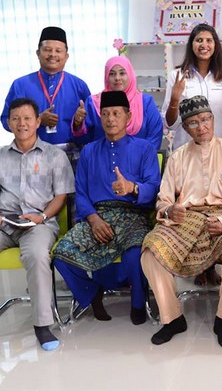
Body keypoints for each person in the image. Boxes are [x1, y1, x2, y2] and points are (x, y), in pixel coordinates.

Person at [141, 95, 222, 349]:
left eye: (205, 120)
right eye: (193, 123)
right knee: (150, 251)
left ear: (212, 119)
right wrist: (170, 211)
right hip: (186, 218)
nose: (201, 127)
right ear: (185, 127)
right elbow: (164, 199)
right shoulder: (177, 157)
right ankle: (172, 318)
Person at [0, 97, 74, 351]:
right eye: (16, 119)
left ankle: (42, 325)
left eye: (27, 118)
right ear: (9, 123)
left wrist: (43, 217)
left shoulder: (55, 156)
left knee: (37, 255)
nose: (21, 123)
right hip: (3, 223)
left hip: (38, 224)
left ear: (38, 121)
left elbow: (61, 196)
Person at [53, 91, 161, 325]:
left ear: (128, 116)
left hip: (134, 215)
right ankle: (91, 294)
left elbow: (154, 188)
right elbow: (81, 192)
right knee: (61, 255)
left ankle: (138, 302)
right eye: (105, 114)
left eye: (116, 113)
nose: (110, 119)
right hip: (98, 216)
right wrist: (93, 219)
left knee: (135, 253)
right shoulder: (89, 151)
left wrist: (132, 187)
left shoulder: (144, 149)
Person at [2, 26, 91, 145]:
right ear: (38, 53)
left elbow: (93, 125)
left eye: (58, 51)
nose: (53, 54)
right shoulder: (20, 85)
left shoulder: (79, 86)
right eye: (47, 50)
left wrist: (78, 122)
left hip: (71, 152)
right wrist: (36, 121)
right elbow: (6, 121)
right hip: (31, 152)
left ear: (66, 56)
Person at [161, 24, 222, 150]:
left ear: (215, 45)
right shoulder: (177, 76)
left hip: (221, 149)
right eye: (199, 40)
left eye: (209, 40)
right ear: (191, 45)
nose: (204, 45)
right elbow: (170, 124)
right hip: (187, 150)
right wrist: (175, 99)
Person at [71, 56, 163, 150]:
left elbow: (155, 136)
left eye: (122, 73)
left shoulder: (145, 102)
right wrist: (78, 123)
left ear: (130, 74)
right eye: (112, 74)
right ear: (106, 76)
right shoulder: (93, 103)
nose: (117, 78)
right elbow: (82, 140)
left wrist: (141, 156)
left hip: (139, 158)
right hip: (102, 158)